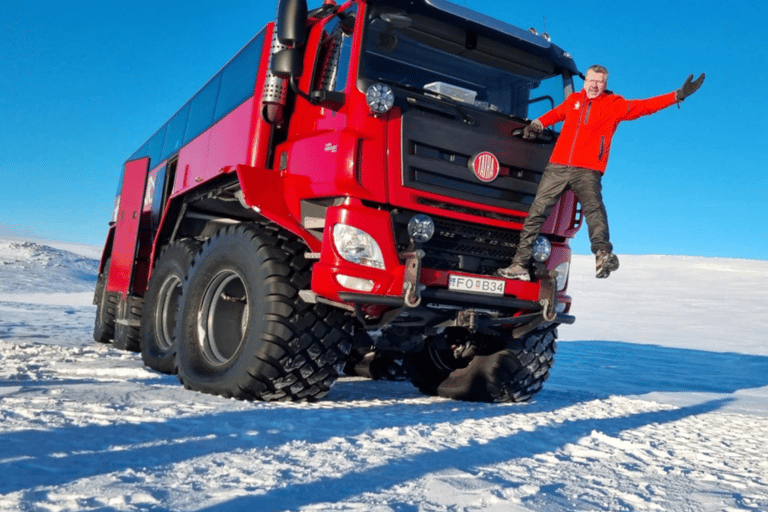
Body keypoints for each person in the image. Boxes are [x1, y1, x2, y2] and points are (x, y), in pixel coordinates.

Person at [496, 65, 704, 280]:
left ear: (605, 84)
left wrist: (676, 95)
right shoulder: (574, 100)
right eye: (591, 80)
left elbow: (644, 106)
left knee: (594, 209)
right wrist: (537, 124)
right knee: (536, 213)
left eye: (599, 82)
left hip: (588, 169)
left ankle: (602, 255)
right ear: (585, 81)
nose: (594, 85)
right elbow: (556, 114)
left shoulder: (614, 104)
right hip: (558, 166)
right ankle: (520, 264)